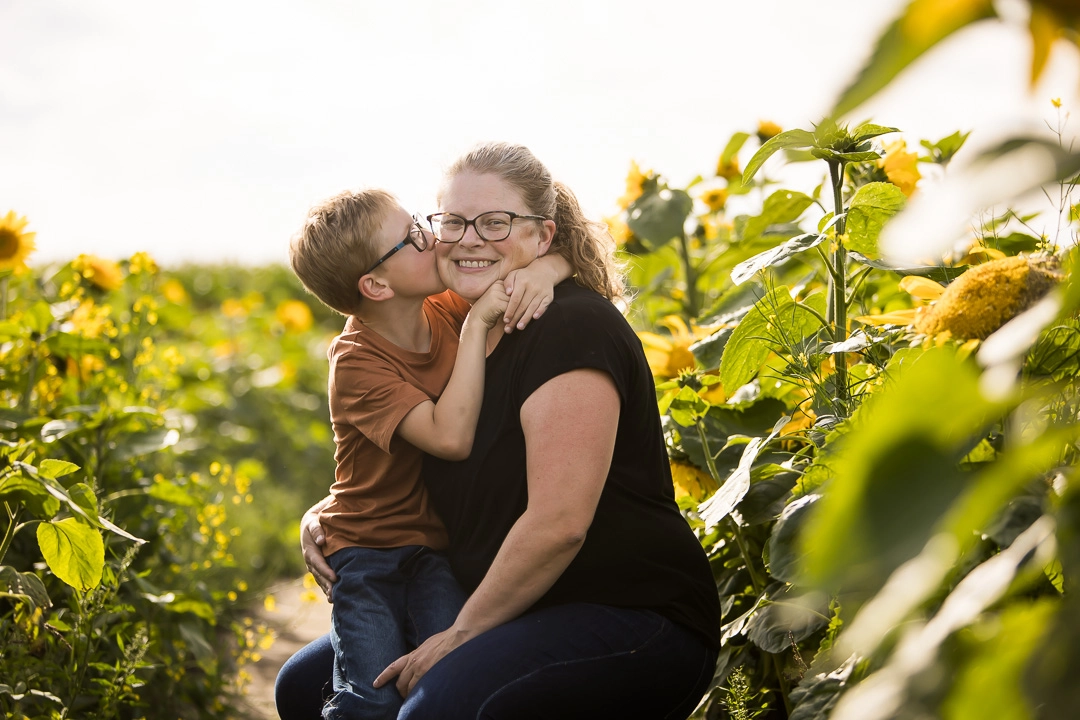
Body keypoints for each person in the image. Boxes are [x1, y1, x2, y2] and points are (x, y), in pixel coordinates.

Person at [278, 144, 721, 720]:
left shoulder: (570, 327)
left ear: (543, 235)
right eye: (454, 222)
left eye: (496, 223)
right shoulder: (459, 320)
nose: (468, 239)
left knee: (434, 711)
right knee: (302, 687)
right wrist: (325, 514)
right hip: (512, 604)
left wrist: (461, 634)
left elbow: (558, 526)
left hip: (626, 610)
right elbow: (400, 454)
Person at [286, 187, 571, 720]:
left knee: (444, 674)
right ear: (375, 284)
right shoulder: (356, 362)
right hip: (366, 552)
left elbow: (565, 249)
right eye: (412, 237)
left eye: (420, 221)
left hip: (432, 546)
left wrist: (544, 271)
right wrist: (477, 323)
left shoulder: (438, 306)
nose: (432, 237)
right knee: (370, 696)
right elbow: (450, 437)